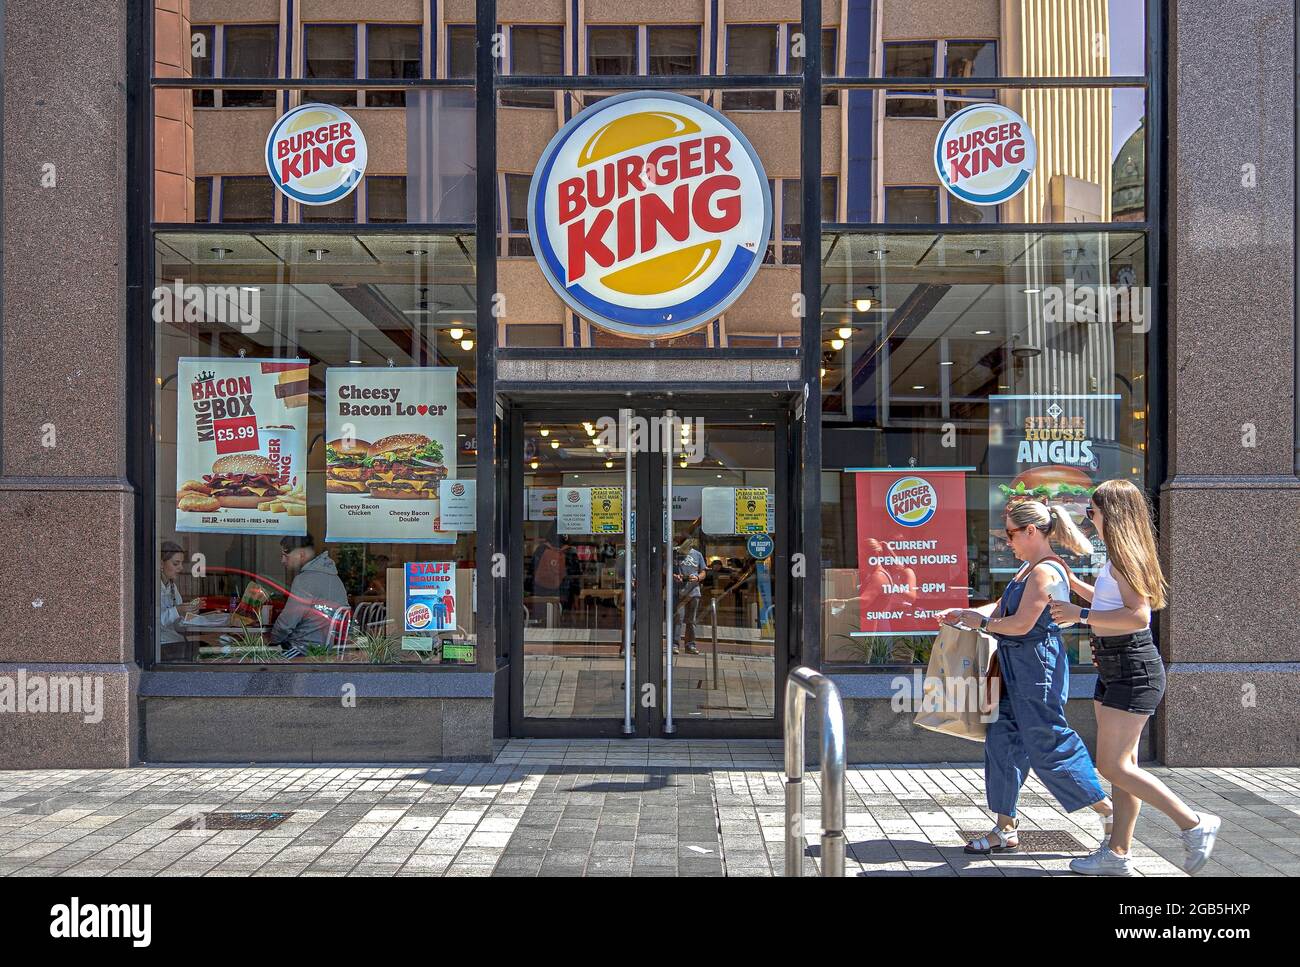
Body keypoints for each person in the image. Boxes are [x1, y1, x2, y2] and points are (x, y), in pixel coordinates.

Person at [1050, 479, 1220, 876]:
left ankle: (1194, 823)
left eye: (1093, 512)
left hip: (1132, 667)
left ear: (1113, 513)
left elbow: (1138, 617)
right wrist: (1076, 588)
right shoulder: (1118, 558)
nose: (1090, 519)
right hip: (1115, 666)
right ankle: (1117, 854)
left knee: (1113, 766)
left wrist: (1080, 616)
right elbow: (1114, 603)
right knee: (1123, 767)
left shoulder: (1127, 557)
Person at [937, 498, 1114, 855]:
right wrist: (963, 614)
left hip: (1037, 667)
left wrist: (982, 623)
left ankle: (1110, 812)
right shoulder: (1028, 569)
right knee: (1001, 742)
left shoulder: (1044, 571)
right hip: (1017, 666)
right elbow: (1003, 611)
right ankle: (1004, 828)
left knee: (1048, 743)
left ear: (1031, 531)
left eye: (1011, 534)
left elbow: (1020, 624)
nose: (1007, 542)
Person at [269, 534, 350, 658]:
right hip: (326, 651)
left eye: (285, 556)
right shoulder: (335, 579)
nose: (283, 561)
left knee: (260, 661)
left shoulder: (304, 580)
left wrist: (271, 639)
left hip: (304, 650)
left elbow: (286, 623)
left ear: (301, 554)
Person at [159, 540, 201, 661]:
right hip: (162, 645)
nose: (181, 568)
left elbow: (177, 625)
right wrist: (177, 610)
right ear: (161, 564)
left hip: (175, 640)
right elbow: (154, 622)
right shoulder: (152, 588)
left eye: (181, 563)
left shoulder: (172, 587)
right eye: (176, 563)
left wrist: (188, 614)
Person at [673, 537, 707, 655]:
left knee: (691, 620)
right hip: (679, 590)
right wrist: (674, 575)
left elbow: (703, 572)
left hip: (693, 590)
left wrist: (697, 577)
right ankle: (674, 644)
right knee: (678, 618)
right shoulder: (674, 553)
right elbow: (665, 569)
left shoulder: (697, 555)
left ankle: (690, 645)